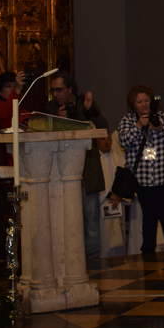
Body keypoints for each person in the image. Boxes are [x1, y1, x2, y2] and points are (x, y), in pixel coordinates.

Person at [46, 71, 109, 258]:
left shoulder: (85, 104)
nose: (55, 94)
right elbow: (41, 132)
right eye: (53, 90)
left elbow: (103, 126)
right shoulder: (50, 108)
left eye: (59, 90)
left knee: (91, 222)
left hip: (87, 172)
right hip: (60, 174)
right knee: (65, 221)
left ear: (70, 89)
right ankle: (69, 261)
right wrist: (56, 120)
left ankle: (93, 265)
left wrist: (89, 112)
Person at [117, 85, 164, 254]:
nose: (144, 104)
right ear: (133, 104)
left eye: (146, 100)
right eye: (139, 102)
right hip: (143, 180)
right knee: (149, 218)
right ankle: (148, 256)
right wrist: (139, 125)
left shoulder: (163, 117)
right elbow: (123, 142)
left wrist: (160, 129)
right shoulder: (128, 120)